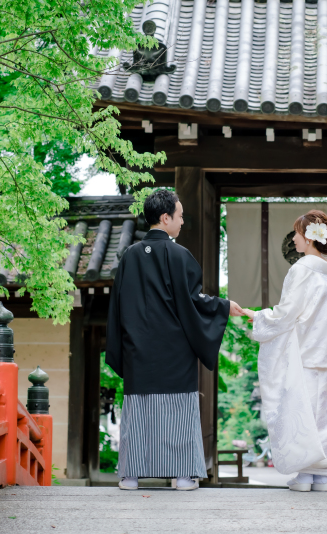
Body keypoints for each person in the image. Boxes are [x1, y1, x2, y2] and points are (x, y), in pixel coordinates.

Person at [105, 190, 244, 491]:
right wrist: (223, 306)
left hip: (137, 351)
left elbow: (117, 307)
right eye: (179, 216)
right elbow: (193, 302)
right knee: (179, 412)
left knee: (138, 412)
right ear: (165, 217)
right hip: (175, 354)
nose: (182, 221)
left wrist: (121, 347)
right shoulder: (180, 256)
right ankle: (182, 476)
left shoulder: (129, 256)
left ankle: (130, 476)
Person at [242, 210, 327, 492]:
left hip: (305, 354)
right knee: (325, 415)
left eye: (297, 233)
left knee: (303, 412)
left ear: (309, 238)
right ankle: (322, 477)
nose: (293, 238)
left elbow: (287, 313)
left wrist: (257, 316)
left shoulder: (302, 269)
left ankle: (305, 476)